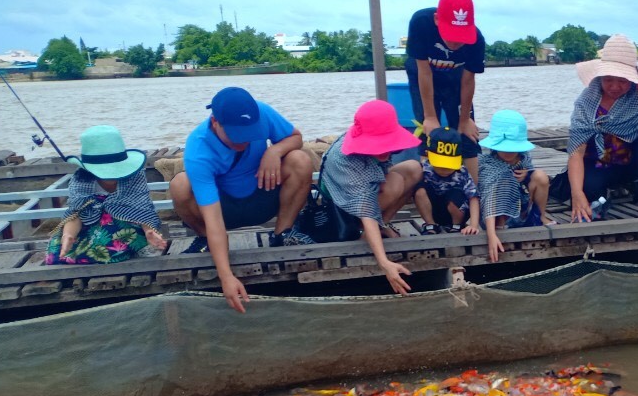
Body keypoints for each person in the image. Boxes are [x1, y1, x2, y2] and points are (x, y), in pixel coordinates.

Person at [169, 86, 314, 313]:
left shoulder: (262, 112)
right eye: (236, 136)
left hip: (263, 193)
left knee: (300, 160)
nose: (243, 143)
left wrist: (274, 151)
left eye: (250, 135)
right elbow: (214, 221)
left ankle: (283, 234)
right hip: (223, 211)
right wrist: (226, 276)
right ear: (215, 122)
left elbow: (296, 137)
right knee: (180, 184)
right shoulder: (199, 149)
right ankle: (206, 240)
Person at [558, 34, 638, 221]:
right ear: (600, 77)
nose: (614, 86)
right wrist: (577, 193)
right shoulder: (586, 102)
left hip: (631, 162)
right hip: (598, 162)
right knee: (587, 188)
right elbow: (576, 151)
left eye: (622, 80)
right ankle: (615, 189)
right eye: (608, 80)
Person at [316, 99, 425, 295]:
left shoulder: (379, 149)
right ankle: (367, 234)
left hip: (369, 191)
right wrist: (384, 263)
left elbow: (382, 172)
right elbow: (366, 209)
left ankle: (382, 224)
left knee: (414, 168)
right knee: (395, 184)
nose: (385, 149)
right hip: (342, 206)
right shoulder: (346, 160)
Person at [44, 125, 166, 265]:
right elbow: (76, 212)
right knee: (57, 252)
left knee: (125, 239)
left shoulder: (135, 177)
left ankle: (137, 246)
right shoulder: (81, 180)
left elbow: (142, 208)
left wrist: (149, 230)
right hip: (89, 224)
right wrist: (68, 235)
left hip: (126, 222)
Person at [405, 0, 485, 180]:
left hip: (455, 77)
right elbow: (423, 72)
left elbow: (468, 80)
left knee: (466, 133)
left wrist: (464, 119)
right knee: (428, 130)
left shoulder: (477, 40)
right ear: (436, 19)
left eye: (461, 36)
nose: (456, 42)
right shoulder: (421, 23)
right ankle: (429, 186)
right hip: (422, 73)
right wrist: (431, 116)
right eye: (452, 35)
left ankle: (474, 191)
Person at [477, 109, 553, 262]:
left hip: (521, 206)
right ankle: (500, 226)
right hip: (495, 215)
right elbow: (489, 198)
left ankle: (541, 216)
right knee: (504, 181)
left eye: (512, 148)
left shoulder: (524, 158)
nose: (508, 152)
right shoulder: (487, 163)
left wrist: (527, 175)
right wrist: (491, 235)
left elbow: (531, 176)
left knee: (540, 176)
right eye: (504, 148)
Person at [415, 127, 480, 235]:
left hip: (457, 209)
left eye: (449, 166)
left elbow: (473, 197)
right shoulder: (424, 168)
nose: (444, 170)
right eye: (440, 165)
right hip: (434, 210)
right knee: (420, 190)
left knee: (455, 193)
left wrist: (474, 224)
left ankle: (457, 225)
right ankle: (430, 224)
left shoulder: (462, 172)